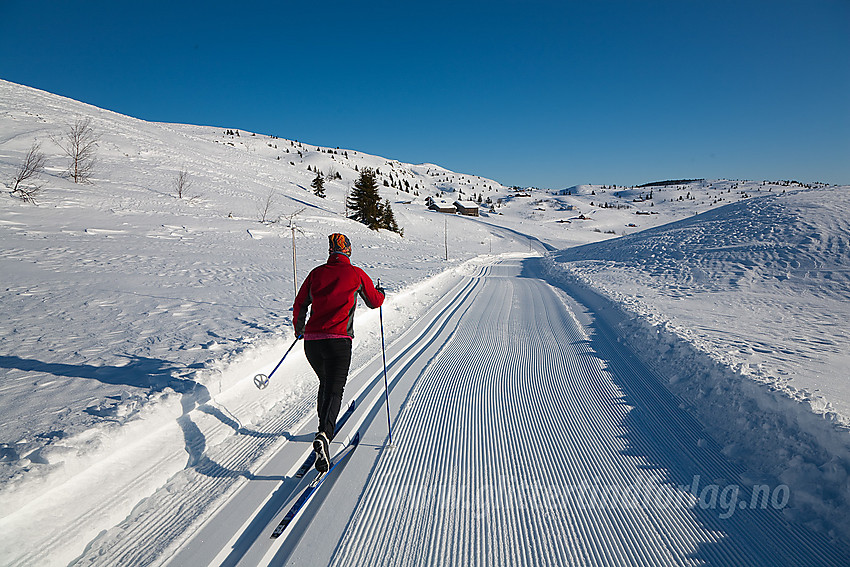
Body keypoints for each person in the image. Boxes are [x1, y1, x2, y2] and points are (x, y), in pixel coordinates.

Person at [293, 233, 385, 472]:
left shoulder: (316, 274)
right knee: (335, 389)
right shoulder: (356, 274)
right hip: (339, 341)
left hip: (312, 342)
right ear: (348, 250)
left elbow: (300, 303)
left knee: (325, 383)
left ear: (330, 251)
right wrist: (381, 292)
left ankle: (322, 428)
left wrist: (299, 328)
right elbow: (374, 302)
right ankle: (325, 434)